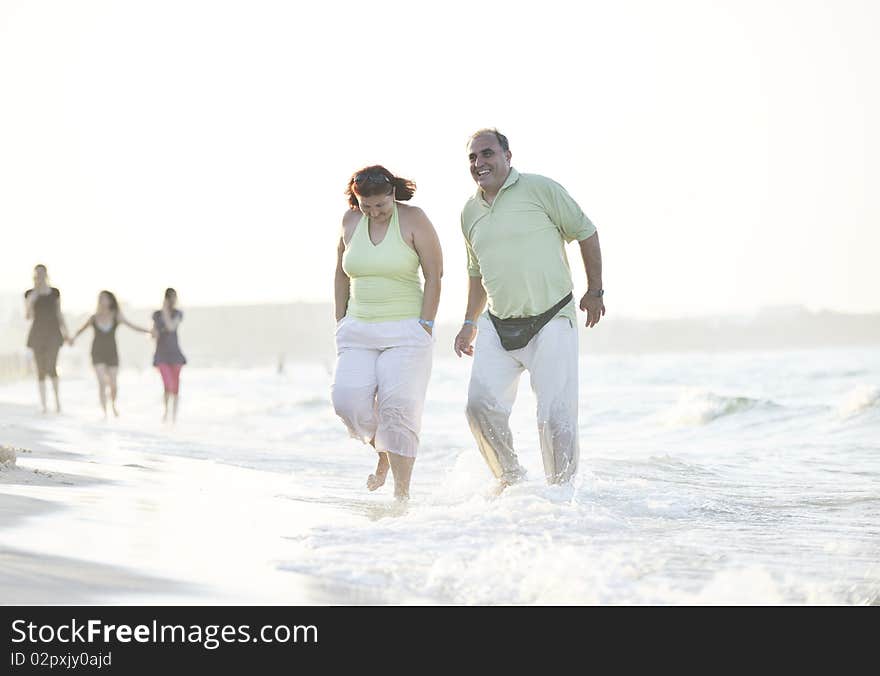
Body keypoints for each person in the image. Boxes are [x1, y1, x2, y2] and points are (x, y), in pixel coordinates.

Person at [454, 129, 605, 489]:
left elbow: (586, 232)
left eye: (487, 154)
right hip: (498, 323)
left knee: (555, 416)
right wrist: (468, 322)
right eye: (473, 158)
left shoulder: (540, 189)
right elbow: (477, 273)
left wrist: (595, 290)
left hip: (551, 318)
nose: (480, 164)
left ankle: (561, 493)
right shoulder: (469, 212)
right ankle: (512, 481)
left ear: (507, 155)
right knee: (478, 407)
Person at [331, 165, 443, 500]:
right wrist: (340, 318)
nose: (375, 213)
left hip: (406, 330)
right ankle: (383, 451)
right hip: (358, 329)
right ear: (357, 201)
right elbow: (340, 273)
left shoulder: (414, 219)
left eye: (381, 205)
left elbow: (435, 275)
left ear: (392, 193)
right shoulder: (350, 222)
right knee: (347, 401)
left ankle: (401, 495)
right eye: (367, 207)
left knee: (398, 408)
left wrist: (426, 324)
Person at [69, 290, 151, 417]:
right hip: (97, 353)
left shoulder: (116, 316)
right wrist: (73, 338)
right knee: (101, 382)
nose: (101, 301)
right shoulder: (94, 318)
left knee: (113, 384)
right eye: (100, 298)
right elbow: (81, 329)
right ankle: (104, 412)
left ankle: (113, 404)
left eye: (104, 298)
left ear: (110, 301)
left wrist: (149, 331)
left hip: (112, 353)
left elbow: (132, 325)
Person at [24, 264, 70, 413]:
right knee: (40, 369)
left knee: (52, 366)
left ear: (46, 274)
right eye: (37, 274)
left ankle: (57, 401)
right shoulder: (29, 293)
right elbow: (28, 316)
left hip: (53, 334)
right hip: (37, 334)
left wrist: (66, 332)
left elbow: (59, 313)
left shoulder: (55, 292)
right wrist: (31, 300)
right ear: (34, 276)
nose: (40, 276)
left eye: (42, 273)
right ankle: (44, 404)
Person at [152, 288, 187, 423]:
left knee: (176, 386)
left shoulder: (178, 314)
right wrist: (154, 332)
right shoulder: (156, 315)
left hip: (175, 354)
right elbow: (154, 333)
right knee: (167, 384)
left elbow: (171, 327)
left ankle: (174, 417)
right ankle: (166, 411)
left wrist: (166, 312)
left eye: (174, 297)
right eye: (169, 297)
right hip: (161, 355)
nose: (172, 300)